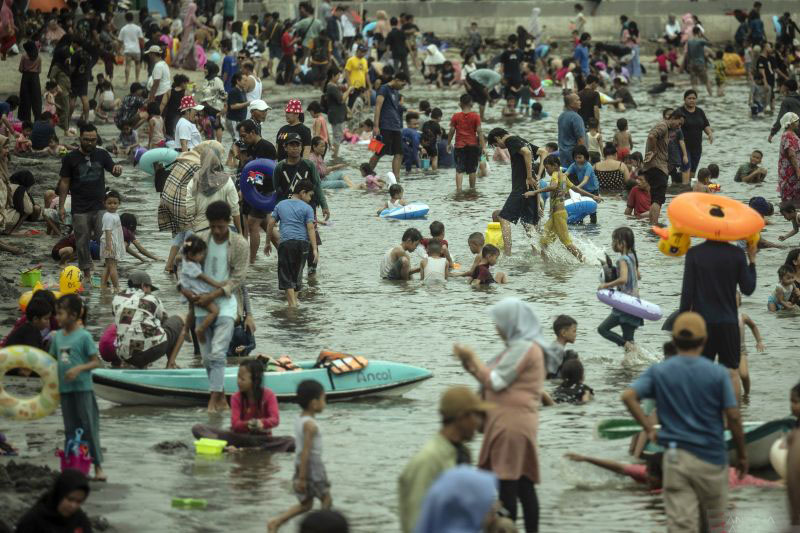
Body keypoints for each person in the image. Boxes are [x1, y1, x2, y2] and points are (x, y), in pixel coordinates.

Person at [621, 312, 747, 533]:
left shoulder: (659, 371)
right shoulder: (717, 373)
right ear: (704, 340)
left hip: (676, 460)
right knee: (716, 525)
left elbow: (628, 397)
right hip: (712, 460)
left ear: (675, 341)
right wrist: (742, 454)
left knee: (682, 526)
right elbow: (734, 417)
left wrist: (649, 428)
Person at [453, 298, 548, 533]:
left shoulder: (525, 348)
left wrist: (473, 358)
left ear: (511, 323)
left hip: (511, 423)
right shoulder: (517, 348)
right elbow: (492, 380)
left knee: (507, 484)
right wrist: (470, 364)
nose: (496, 328)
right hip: (510, 422)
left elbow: (495, 381)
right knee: (523, 483)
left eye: (498, 323)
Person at [178, 201, 249, 413]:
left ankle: (213, 399)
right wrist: (188, 294)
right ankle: (220, 399)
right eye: (213, 226)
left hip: (226, 304)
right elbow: (183, 267)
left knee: (218, 353)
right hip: (200, 304)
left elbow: (238, 279)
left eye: (221, 226)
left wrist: (215, 294)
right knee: (208, 357)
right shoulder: (199, 240)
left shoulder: (239, 244)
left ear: (228, 222)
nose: (217, 231)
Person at [679, 222, 757, 400]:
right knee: (731, 372)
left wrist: (682, 323)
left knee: (701, 372)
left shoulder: (694, 254)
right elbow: (748, 289)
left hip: (702, 325)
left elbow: (687, 294)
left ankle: (702, 417)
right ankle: (733, 418)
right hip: (728, 322)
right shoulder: (737, 254)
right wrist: (752, 261)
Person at [397, 386, 491, 533]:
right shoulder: (428, 461)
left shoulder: (461, 454)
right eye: (476, 416)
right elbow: (415, 521)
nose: (479, 423)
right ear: (462, 417)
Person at [57, 123, 123, 286]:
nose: (90, 143)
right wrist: (61, 206)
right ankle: (86, 273)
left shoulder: (102, 155)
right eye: (86, 139)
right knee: (81, 241)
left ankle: (108, 270)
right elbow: (64, 183)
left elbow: (113, 169)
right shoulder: (70, 158)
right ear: (80, 138)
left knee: (106, 238)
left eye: (93, 140)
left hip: (101, 208)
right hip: (79, 208)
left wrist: (117, 170)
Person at [50, 294, 105, 481]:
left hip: (83, 389)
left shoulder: (84, 337)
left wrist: (78, 368)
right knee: (69, 428)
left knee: (89, 427)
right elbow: (51, 362)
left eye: (60, 314)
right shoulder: (57, 338)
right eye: (56, 314)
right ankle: (72, 467)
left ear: (73, 315)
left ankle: (98, 467)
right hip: (65, 390)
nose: (56, 318)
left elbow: (96, 362)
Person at [267, 380, 331, 533]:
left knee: (306, 504)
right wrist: (302, 478)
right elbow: (306, 452)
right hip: (312, 466)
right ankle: (326, 528)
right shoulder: (311, 425)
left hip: (301, 465)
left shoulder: (299, 419)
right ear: (314, 403)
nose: (325, 403)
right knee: (326, 499)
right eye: (323, 399)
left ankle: (276, 522)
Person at [192, 359, 295, 451]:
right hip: (238, 438)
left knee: (291, 441)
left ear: (255, 380)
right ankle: (230, 447)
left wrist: (261, 423)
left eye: (242, 379)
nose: (238, 382)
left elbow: (275, 420)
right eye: (238, 378)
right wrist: (248, 424)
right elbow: (235, 424)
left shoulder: (268, 395)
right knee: (198, 428)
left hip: (262, 439)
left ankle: (250, 449)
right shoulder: (236, 397)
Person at [487, 128, 547, 256]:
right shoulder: (521, 140)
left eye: (496, 145)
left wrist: (530, 177)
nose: (500, 147)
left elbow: (526, 153)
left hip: (521, 186)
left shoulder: (510, 140)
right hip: (530, 188)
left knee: (503, 218)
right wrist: (539, 174)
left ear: (498, 138)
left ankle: (507, 254)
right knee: (527, 222)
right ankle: (537, 252)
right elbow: (543, 152)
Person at [529, 155, 599, 262]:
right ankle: (546, 265)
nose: (546, 171)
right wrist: (592, 196)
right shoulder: (564, 177)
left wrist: (534, 192)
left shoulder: (555, 174)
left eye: (547, 167)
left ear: (555, 165)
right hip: (557, 215)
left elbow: (553, 186)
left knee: (566, 243)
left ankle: (584, 260)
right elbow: (576, 189)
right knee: (543, 242)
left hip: (558, 215)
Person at [111, 270, 185, 369]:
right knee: (181, 318)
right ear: (143, 286)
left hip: (125, 356)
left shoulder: (117, 299)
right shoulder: (151, 299)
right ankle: (171, 363)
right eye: (150, 288)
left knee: (140, 329)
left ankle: (140, 365)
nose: (150, 291)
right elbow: (165, 322)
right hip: (151, 350)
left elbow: (121, 323)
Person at [267, 180, 319, 307]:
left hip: (286, 244)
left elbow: (270, 224)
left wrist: (267, 242)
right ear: (302, 193)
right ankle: (294, 303)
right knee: (297, 274)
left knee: (286, 274)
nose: (310, 198)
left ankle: (292, 305)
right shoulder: (308, 208)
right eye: (310, 195)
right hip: (303, 245)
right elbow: (310, 228)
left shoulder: (281, 205)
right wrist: (314, 249)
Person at [597, 227, 643, 352]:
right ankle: (630, 367)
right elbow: (638, 276)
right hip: (635, 303)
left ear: (622, 244)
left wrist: (605, 285)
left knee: (602, 329)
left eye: (614, 241)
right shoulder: (632, 256)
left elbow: (623, 279)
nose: (612, 244)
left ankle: (627, 346)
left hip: (625, 304)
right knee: (629, 340)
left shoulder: (622, 259)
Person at [15, 470, 93, 533]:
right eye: (70, 499)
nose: (73, 505)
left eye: (79, 501)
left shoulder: (80, 521)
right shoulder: (32, 522)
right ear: (59, 494)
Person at [642, 109, 684, 224]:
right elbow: (651, 136)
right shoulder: (663, 126)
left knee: (654, 199)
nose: (679, 127)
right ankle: (654, 226)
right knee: (658, 199)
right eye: (679, 123)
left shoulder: (664, 127)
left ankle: (652, 225)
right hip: (658, 168)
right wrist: (654, 151)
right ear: (673, 118)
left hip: (652, 167)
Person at [180, 235, 224, 340]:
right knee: (215, 311)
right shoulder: (191, 266)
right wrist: (218, 285)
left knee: (192, 311)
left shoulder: (186, 260)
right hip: (197, 293)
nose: (203, 256)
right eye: (201, 254)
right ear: (191, 254)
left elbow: (184, 249)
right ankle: (201, 328)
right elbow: (204, 278)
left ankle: (185, 330)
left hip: (190, 291)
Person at [370, 73, 410, 180]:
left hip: (396, 126)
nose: (402, 87)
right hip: (385, 126)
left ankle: (396, 179)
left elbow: (395, 109)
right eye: (402, 84)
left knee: (399, 153)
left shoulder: (396, 92)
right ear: (396, 79)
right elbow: (378, 107)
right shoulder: (384, 89)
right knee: (379, 152)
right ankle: (368, 174)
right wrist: (376, 126)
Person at [447, 94, 485, 193]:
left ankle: (459, 190)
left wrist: (448, 143)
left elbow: (451, 131)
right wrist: (483, 146)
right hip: (472, 146)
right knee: (472, 170)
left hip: (459, 146)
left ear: (460, 103)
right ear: (471, 103)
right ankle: (472, 190)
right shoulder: (476, 116)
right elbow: (479, 131)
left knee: (459, 170)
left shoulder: (456, 116)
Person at [680, 89, 713, 181]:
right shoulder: (680, 112)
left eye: (694, 98)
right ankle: (684, 188)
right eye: (689, 98)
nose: (692, 100)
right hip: (684, 146)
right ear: (684, 99)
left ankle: (690, 189)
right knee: (686, 168)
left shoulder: (700, 111)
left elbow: (705, 125)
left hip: (697, 146)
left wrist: (709, 133)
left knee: (693, 171)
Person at [100, 190, 124, 292]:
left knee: (108, 266)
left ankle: (103, 285)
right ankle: (116, 286)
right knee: (113, 266)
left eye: (115, 203)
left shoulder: (115, 215)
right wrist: (109, 246)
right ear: (104, 203)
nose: (112, 205)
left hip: (112, 242)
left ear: (119, 203)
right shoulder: (108, 216)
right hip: (110, 243)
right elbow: (108, 231)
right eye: (109, 203)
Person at [777, 112, 800, 206]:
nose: (798, 123)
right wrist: (798, 171)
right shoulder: (788, 135)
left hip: (792, 172)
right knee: (791, 198)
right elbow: (791, 155)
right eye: (796, 121)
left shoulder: (791, 134)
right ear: (790, 123)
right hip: (790, 173)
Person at [557, 93, 585, 168]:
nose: (580, 102)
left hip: (563, 154)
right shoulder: (576, 118)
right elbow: (580, 140)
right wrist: (583, 158)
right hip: (574, 156)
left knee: (566, 177)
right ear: (571, 104)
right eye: (578, 100)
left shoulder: (561, 116)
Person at [769, 79, 800, 144]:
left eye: (782, 86)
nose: (780, 87)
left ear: (786, 88)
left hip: (794, 133)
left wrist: (772, 133)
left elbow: (781, 119)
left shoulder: (786, 101)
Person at [18, 42, 42, 124]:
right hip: (35, 78)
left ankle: (25, 120)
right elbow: (39, 71)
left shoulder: (24, 56)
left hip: (25, 77)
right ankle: (37, 119)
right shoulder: (38, 57)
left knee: (25, 99)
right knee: (36, 99)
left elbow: (20, 69)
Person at [119, 12, 144, 85]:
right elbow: (141, 39)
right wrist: (142, 47)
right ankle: (137, 79)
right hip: (136, 49)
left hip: (127, 49)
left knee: (127, 65)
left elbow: (120, 41)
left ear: (126, 18)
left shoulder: (123, 28)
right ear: (133, 18)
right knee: (137, 64)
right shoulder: (138, 28)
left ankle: (126, 81)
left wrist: (118, 50)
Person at [686, 27, 712, 96]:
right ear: (699, 32)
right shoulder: (701, 41)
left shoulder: (689, 41)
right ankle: (711, 96)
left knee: (694, 83)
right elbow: (710, 43)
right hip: (700, 63)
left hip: (692, 64)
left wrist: (688, 64)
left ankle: (695, 98)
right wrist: (703, 36)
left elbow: (688, 54)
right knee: (707, 81)